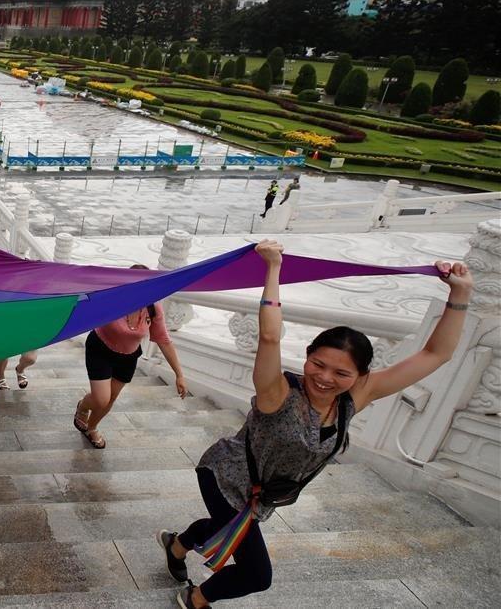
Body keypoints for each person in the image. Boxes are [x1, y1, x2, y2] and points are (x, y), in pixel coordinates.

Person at [158, 241, 472, 609]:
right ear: (307, 356)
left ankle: (176, 544)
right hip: (226, 476)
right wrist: (273, 268)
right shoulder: (277, 393)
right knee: (257, 574)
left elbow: (437, 354)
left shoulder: (353, 399)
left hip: (261, 495)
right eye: (317, 364)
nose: (324, 378)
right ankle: (195, 598)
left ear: (360, 376)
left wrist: (460, 295)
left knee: (227, 527)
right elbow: (270, 336)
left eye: (341, 372)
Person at [74, 265, 186, 449]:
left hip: (128, 357)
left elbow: (163, 340)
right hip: (100, 348)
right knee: (101, 398)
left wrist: (179, 374)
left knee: (110, 399)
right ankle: (83, 407)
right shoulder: (113, 299)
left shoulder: (153, 308)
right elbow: (85, 306)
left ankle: (92, 427)